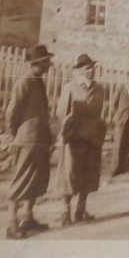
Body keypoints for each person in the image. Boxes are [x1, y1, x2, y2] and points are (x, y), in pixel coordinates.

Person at [4, 44, 54, 239]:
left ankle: (28, 217)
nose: (50, 63)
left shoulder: (38, 80)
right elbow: (12, 111)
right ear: (39, 63)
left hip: (39, 139)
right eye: (47, 61)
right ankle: (11, 224)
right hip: (26, 139)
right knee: (21, 180)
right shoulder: (25, 81)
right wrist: (15, 134)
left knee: (36, 178)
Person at [54, 54, 107, 225]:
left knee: (89, 173)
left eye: (92, 67)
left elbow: (100, 114)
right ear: (78, 71)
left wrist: (99, 132)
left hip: (92, 138)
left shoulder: (99, 89)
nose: (91, 71)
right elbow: (62, 114)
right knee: (69, 173)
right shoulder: (70, 88)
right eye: (87, 68)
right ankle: (65, 211)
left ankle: (80, 210)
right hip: (74, 138)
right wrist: (63, 136)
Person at [108, 72, 129, 177]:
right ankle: (115, 168)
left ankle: (126, 167)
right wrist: (117, 116)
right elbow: (113, 104)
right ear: (127, 79)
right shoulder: (120, 89)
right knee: (118, 144)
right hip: (121, 121)